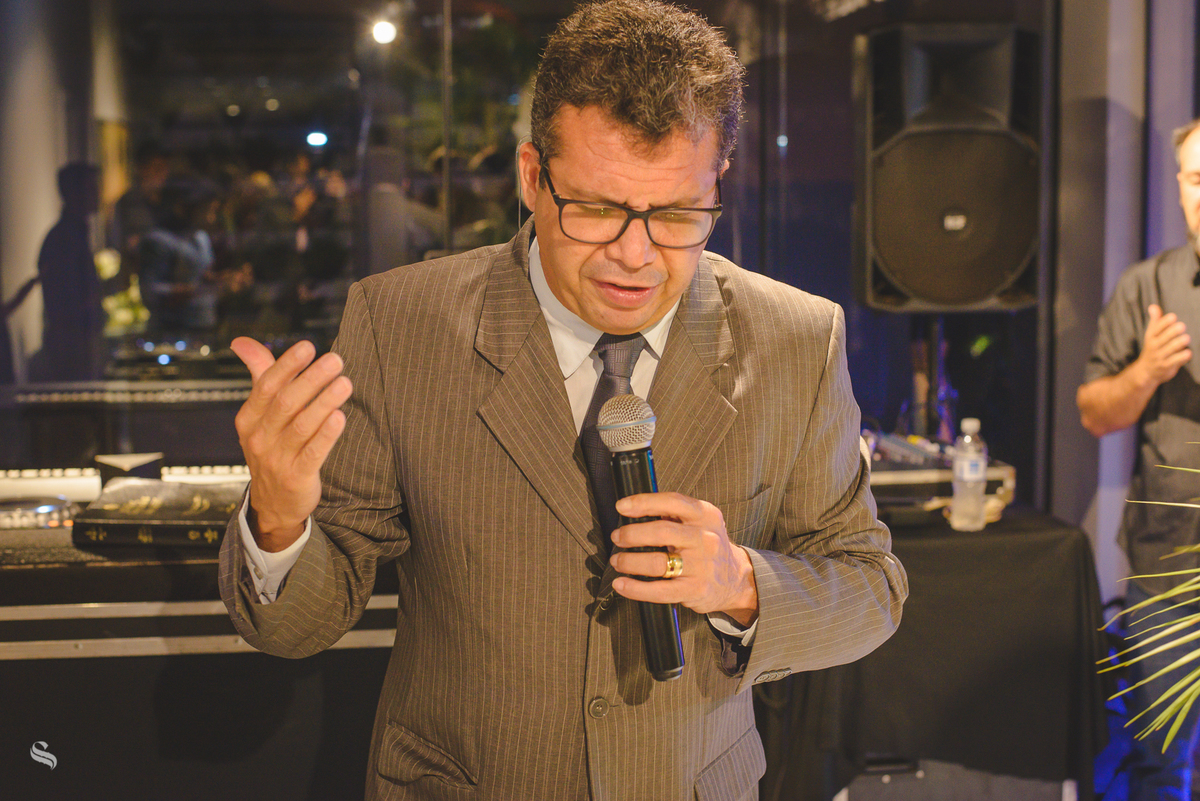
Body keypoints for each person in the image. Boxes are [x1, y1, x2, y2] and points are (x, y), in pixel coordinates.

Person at [219, 2, 907, 799]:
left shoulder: (797, 339)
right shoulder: (399, 323)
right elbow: (297, 625)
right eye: (597, 209)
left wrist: (739, 582)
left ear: (717, 181)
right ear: (532, 177)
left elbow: (871, 585)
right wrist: (279, 519)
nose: (635, 254)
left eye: (677, 214)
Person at [1078, 117, 1200, 800]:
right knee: (1159, 765)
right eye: (1196, 178)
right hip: (1169, 566)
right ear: (1179, 186)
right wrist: (1147, 370)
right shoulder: (1147, 286)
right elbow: (1096, 412)